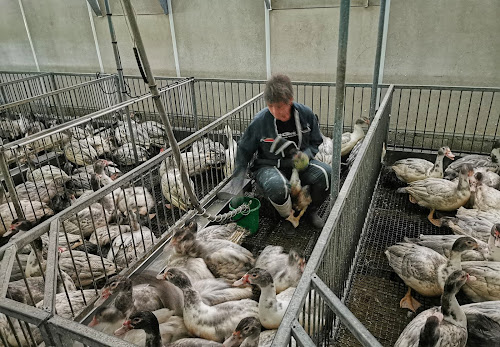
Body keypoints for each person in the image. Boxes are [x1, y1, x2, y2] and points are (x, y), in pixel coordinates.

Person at [233, 74, 332, 235]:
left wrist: (306, 155)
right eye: (270, 106)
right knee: (277, 187)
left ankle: (310, 211)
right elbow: (243, 150)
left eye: (279, 106)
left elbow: (316, 141)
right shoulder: (260, 121)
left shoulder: (305, 114)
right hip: (269, 165)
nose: (275, 111)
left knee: (326, 174)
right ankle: (288, 217)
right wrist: (237, 182)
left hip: (298, 162)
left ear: (290, 101)